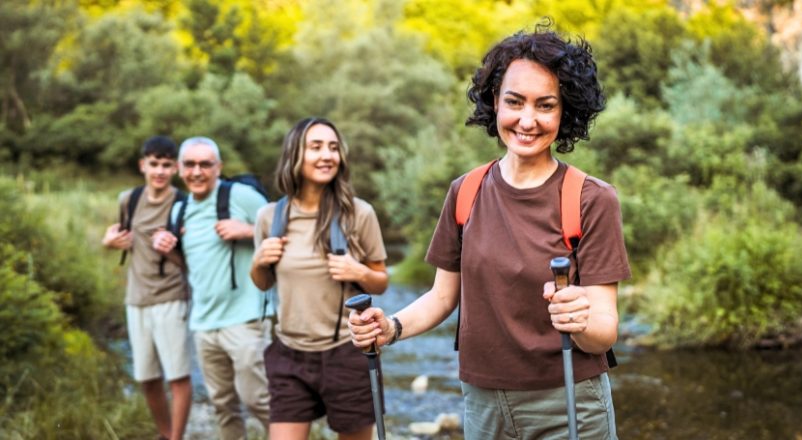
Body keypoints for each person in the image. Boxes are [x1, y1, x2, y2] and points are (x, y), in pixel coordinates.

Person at [349, 23, 631, 439]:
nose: (527, 120)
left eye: (546, 105)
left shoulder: (591, 198)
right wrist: (390, 328)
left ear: (565, 111)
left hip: (570, 402)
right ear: (495, 102)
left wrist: (578, 319)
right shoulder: (465, 192)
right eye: (515, 101)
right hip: (481, 403)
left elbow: (605, 328)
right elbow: (443, 296)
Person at [250, 117, 389, 440]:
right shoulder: (270, 217)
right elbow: (262, 282)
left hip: (347, 353)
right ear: (294, 155)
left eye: (333, 147)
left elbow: (381, 282)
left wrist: (359, 272)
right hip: (288, 354)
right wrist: (258, 262)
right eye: (316, 147)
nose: (327, 155)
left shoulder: (359, 214)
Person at [152, 137, 272, 440]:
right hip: (204, 323)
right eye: (190, 164)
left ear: (218, 168)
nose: (197, 171)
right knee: (222, 405)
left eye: (205, 164)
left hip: (247, 318)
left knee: (258, 399)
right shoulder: (179, 210)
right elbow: (192, 266)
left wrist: (248, 230)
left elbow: (287, 231)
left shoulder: (242, 196)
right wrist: (168, 250)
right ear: (180, 169)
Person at [101, 135, 192, 440]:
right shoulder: (129, 199)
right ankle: (165, 434)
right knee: (146, 378)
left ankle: (176, 437)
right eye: (154, 164)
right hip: (135, 299)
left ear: (176, 168)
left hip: (172, 297)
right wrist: (108, 243)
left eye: (167, 165)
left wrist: (170, 250)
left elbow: (192, 263)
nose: (160, 171)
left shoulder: (183, 204)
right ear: (143, 165)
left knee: (177, 377)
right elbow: (118, 237)